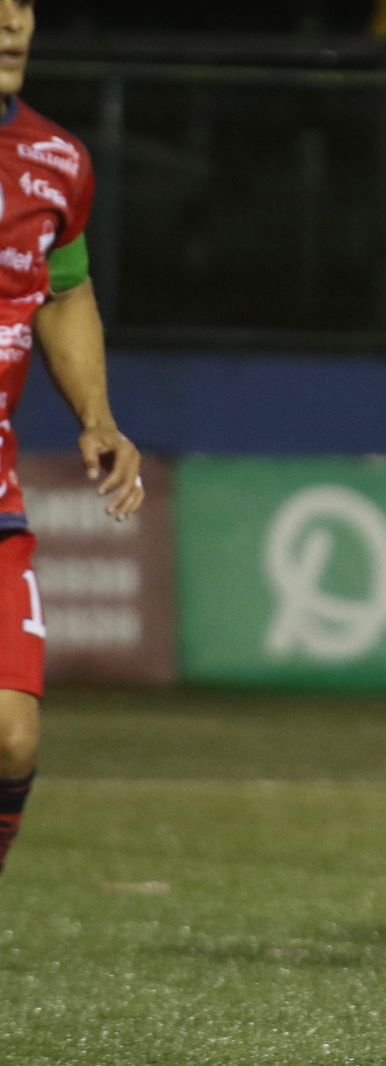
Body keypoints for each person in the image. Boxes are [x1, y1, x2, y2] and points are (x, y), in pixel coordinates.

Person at [0, 0, 145, 879]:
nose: (12, 21)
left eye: (21, 3)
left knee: (13, 740)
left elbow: (66, 290)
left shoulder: (58, 162)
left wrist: (96, 415)